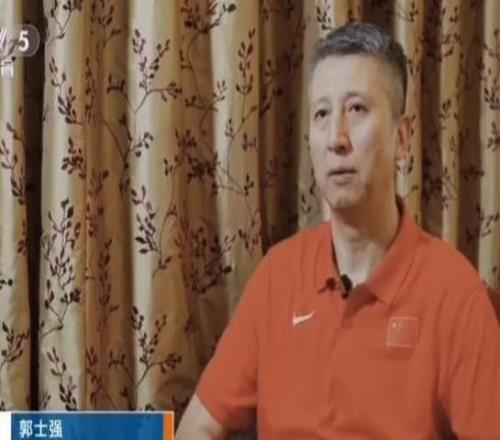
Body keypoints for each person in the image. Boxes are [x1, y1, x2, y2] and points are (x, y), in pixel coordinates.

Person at [176, 22, 500, 439]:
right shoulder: (279, 275)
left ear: (402, 139)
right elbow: (198, 426)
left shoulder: (455, 295)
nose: (336, 139)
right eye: (322, 114)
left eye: (357, 109)